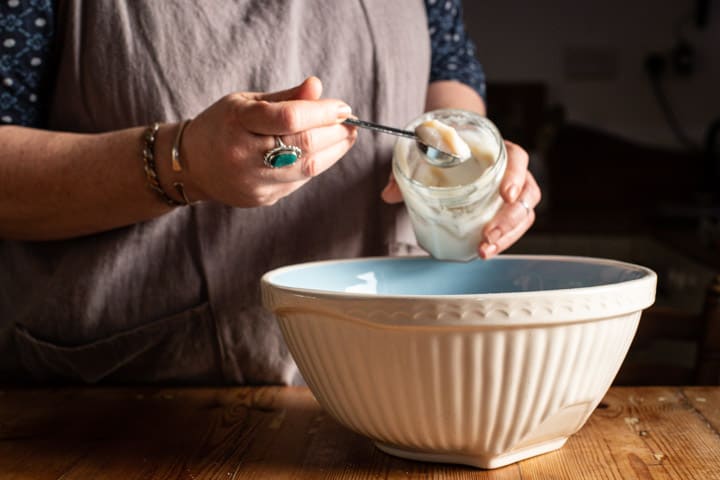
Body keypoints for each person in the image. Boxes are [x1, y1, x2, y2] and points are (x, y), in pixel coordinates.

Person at [0, 0, 541, 384]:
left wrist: (471, 166)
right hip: (119, 406)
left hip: (391, 380)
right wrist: (181, 162)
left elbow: (446, 69)